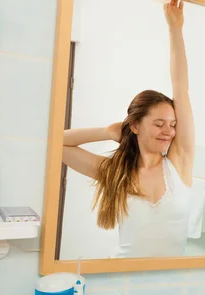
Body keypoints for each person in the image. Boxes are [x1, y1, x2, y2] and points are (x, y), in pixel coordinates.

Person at [62, 0, 194, 258]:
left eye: (172, 124)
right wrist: (106, 131)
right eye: (158, 124)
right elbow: (54, 143)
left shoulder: (179, 163)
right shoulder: (114, 171)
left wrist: (175, 29)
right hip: (121, 280)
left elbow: (181, 87)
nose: (168, 131)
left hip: (173, 281)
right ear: (134, 125)